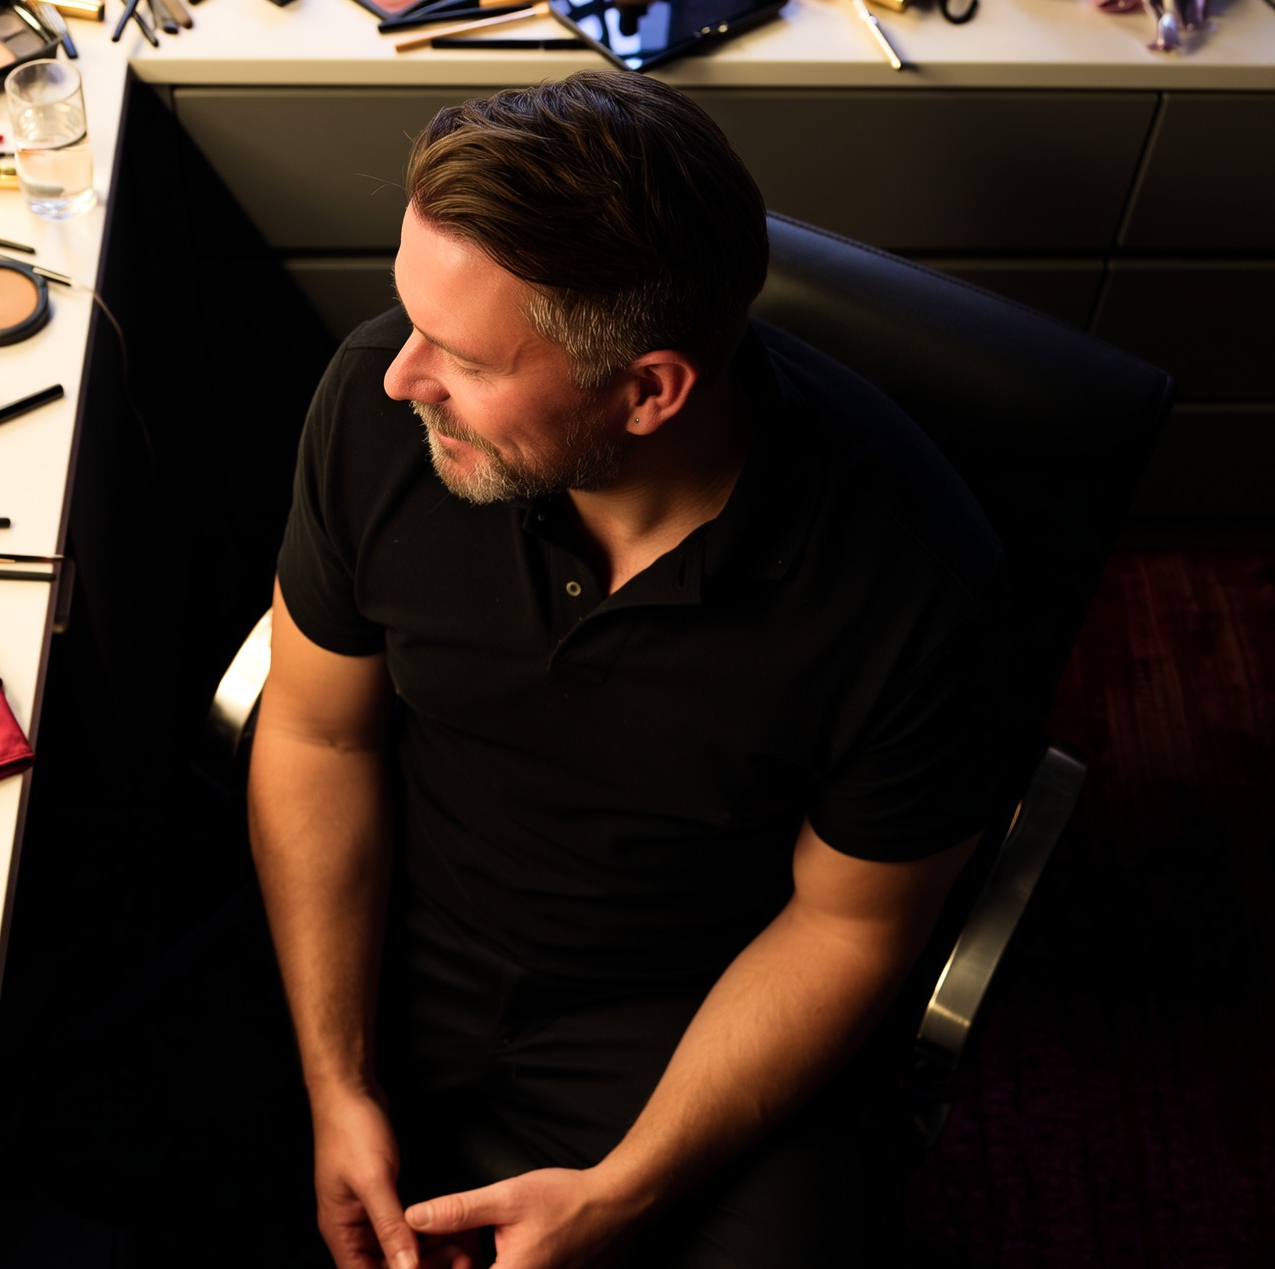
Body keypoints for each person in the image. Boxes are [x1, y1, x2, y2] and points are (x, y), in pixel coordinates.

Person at [252, 70, 1010, 1268]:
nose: (402, 377)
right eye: (409, 323)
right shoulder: (375, 404)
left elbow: (847, 928)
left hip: (682, 1003)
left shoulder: (918, 585)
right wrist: (333, 1084)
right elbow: (317, 736)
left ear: (648, 391)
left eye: (461, 356)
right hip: (406, 917)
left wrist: (623, 1195)